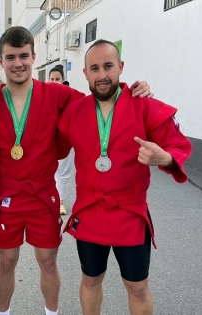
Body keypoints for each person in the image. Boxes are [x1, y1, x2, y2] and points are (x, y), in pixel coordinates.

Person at [0, 26, 152, 315]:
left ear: (33, 57)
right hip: (7, 195)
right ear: (1, 61)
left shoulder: (58, 94)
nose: (17, 63)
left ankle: (51, 313)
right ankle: (2, 313)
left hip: (43, 193)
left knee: (47, 261)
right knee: (6, 262)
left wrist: (129, 89)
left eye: (23, 56)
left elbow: (100, 95)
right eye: (10, 57)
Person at [57, 39, 192, 315]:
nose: (102, 75)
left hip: (130, 212)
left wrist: (163, 158)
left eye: (108, 66)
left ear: (120, 67)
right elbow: (45, 146)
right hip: (90, 210)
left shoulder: (144, 106)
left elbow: (179, 145)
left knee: (138, 286)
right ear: (85, 74)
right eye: (94, 68)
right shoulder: (73, 112)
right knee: (91, 280)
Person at [49, 66, 75, 215]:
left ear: (63, 80)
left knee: (63, 173)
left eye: (57, 79)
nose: (54, 82)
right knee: (49, 172)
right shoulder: (44, 97)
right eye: (51, 79)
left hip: (66, 140)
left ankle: (60, 202)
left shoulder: (71, 97)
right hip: (49, 142)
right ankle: (50, 199)